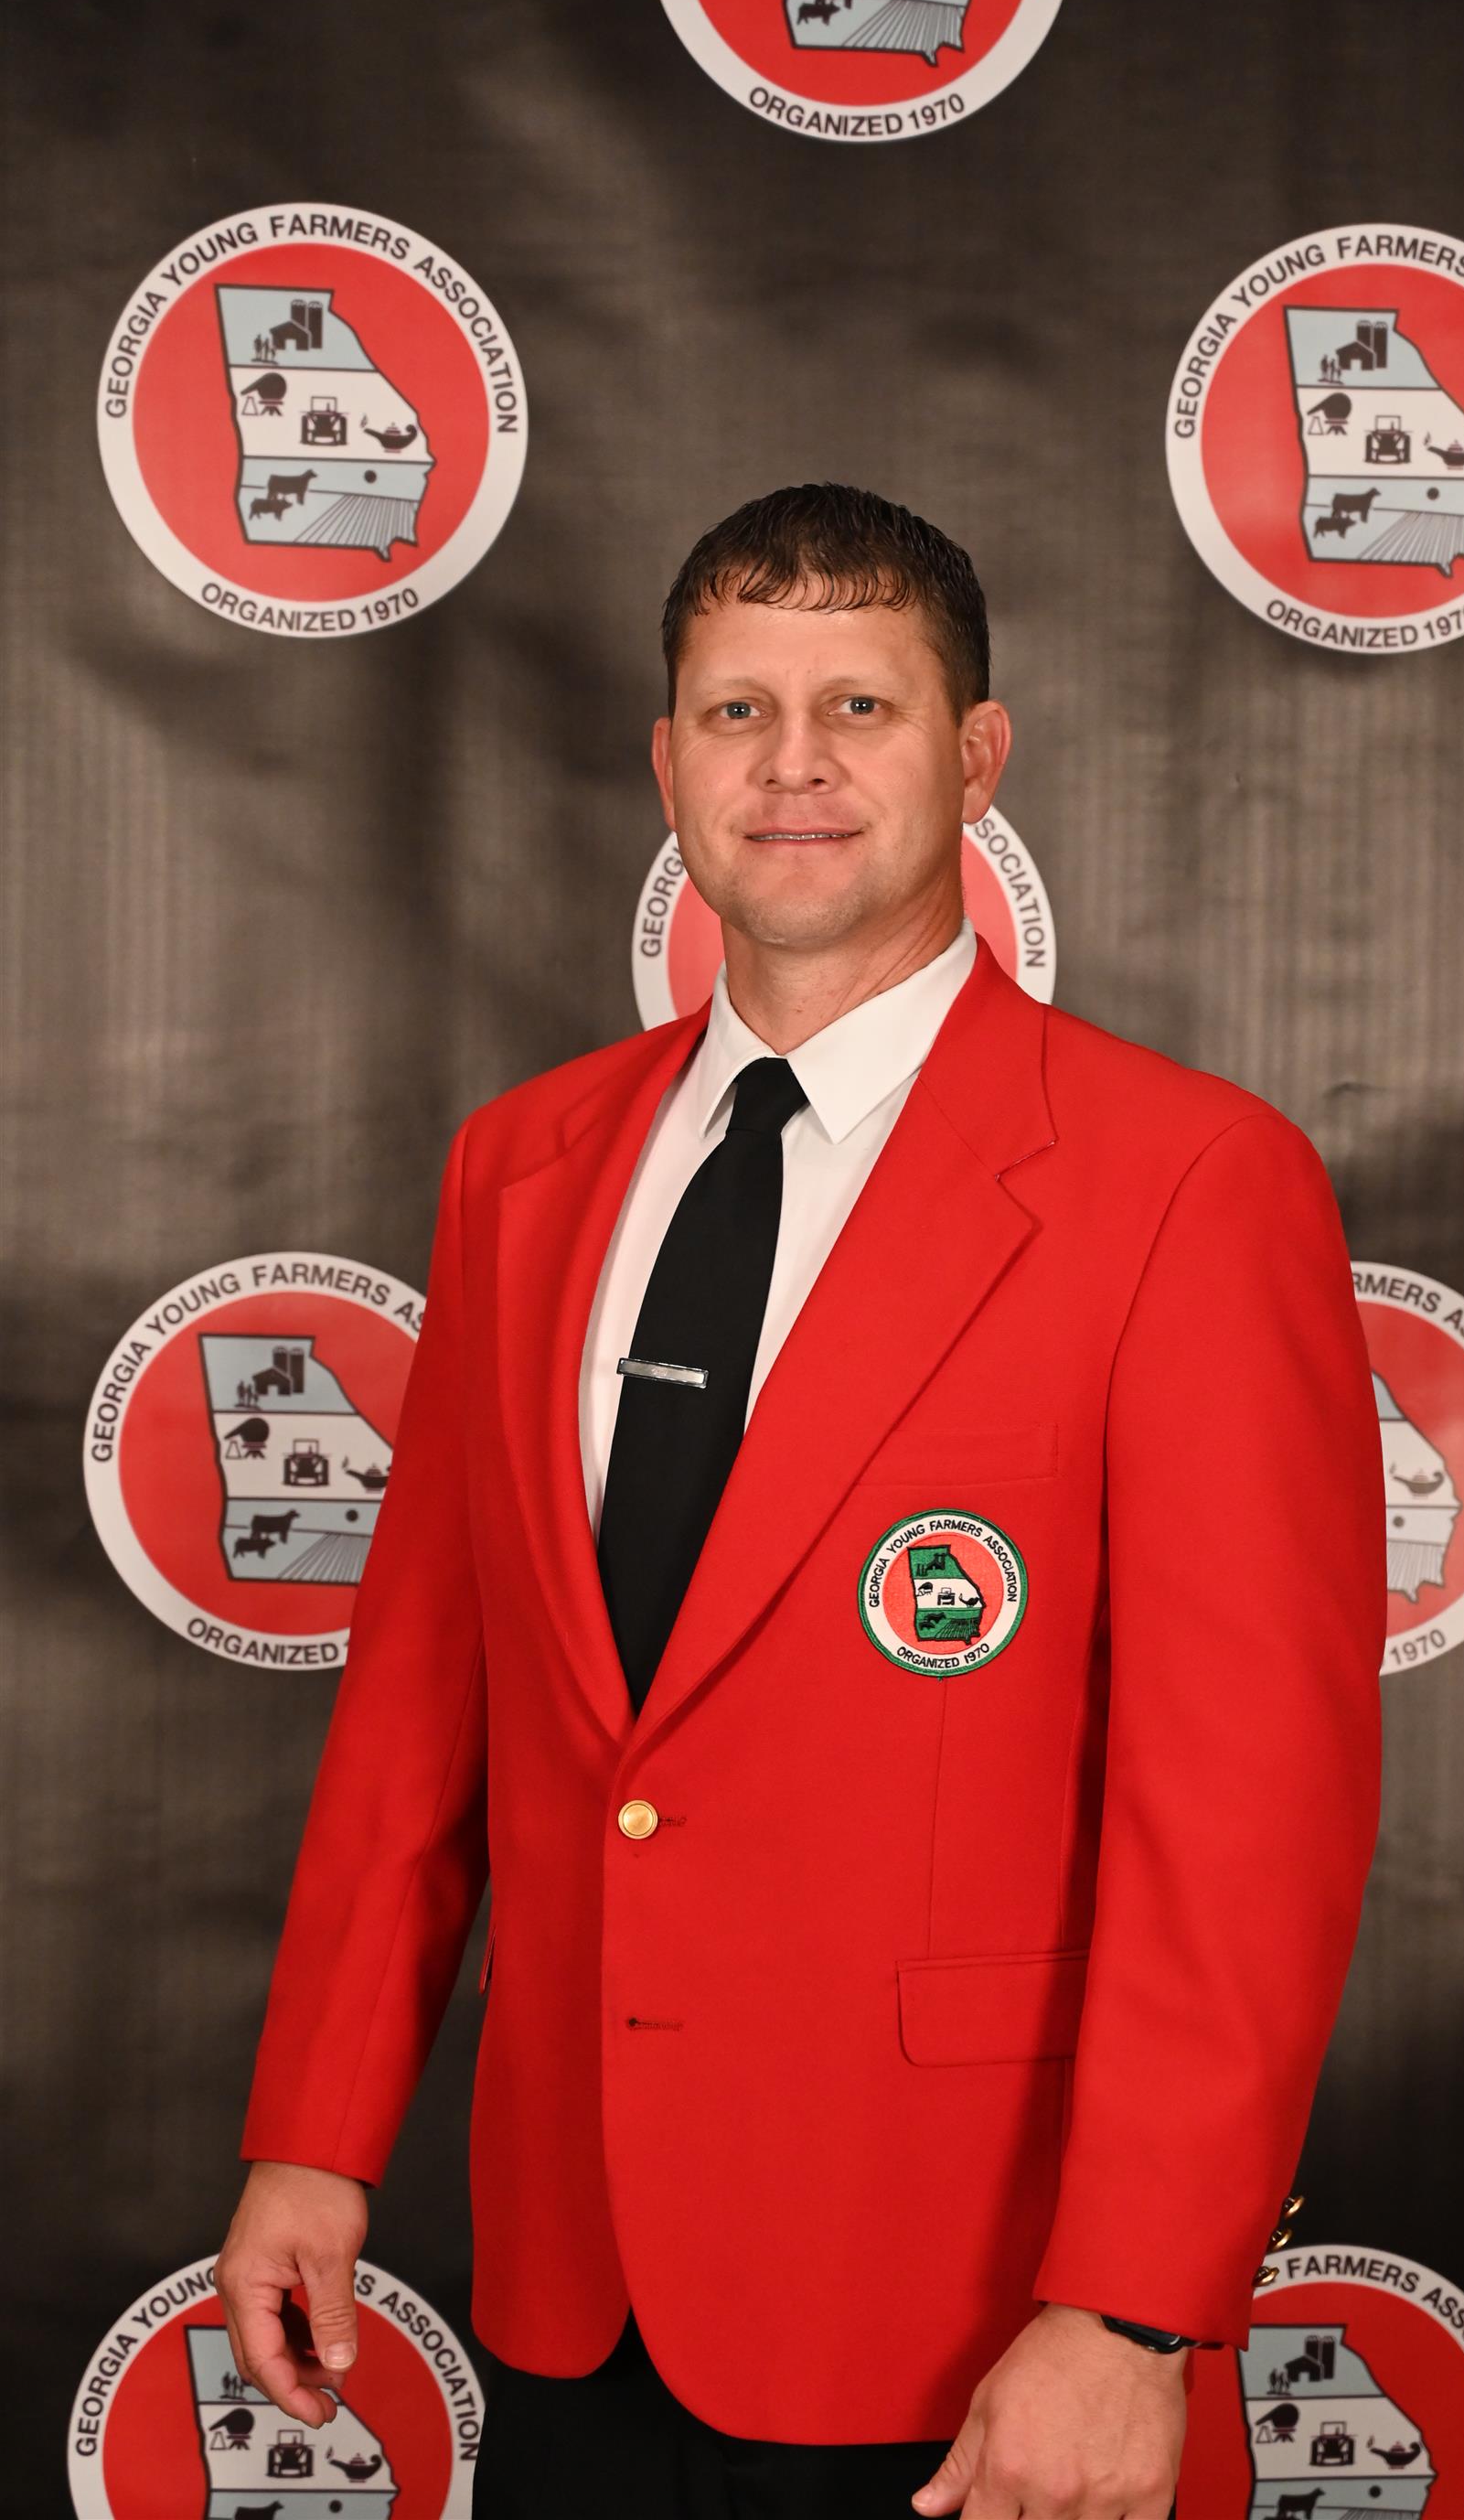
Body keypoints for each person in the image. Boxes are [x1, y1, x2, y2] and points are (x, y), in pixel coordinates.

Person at [214, 483, 1386, 2519]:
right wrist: (314, 2136)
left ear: (976, 755)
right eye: (737, 711)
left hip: (965, 2311)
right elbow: (423, 1698)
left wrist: (1133, 2309)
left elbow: (1248, 1820)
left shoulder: (1186, 1183)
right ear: (667, 760)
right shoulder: (520, 1167)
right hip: (571, 2276)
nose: (794, 765)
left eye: (860, 704)